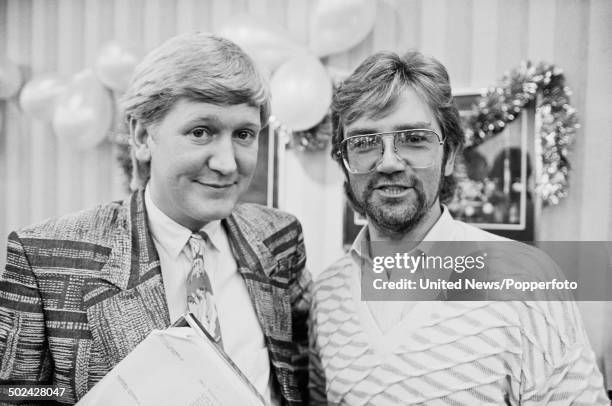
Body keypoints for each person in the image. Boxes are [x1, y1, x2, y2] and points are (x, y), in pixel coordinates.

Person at [0, 33, 311, 405]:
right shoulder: (45, 257)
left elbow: (303, 377)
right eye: (201, 132)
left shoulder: (279, 238)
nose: (227, 162)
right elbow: (17, 394)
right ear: (143, 136)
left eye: (244, 134)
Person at [308, 50, 608, 405]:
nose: (388, 162)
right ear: (344, 162)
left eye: (414, 138)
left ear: (449, 155)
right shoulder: (325, 295)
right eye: (363, 142)